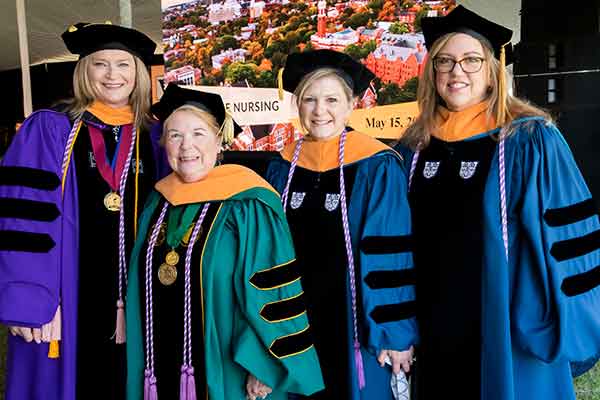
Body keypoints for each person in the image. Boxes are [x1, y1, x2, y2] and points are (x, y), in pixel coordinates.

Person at [397, 5, 600, 400]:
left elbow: (570, 236)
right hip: (433, 315)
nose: (458, 72)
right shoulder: (413, 148)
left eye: (471, 60)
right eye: (445, 61)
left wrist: (549, 318)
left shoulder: (529, 139)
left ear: (491, 69)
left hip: (505, 316)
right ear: (432, 73)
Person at [125, 84, 324, 400]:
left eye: (198, 134)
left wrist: (263, 363)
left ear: (219, 140)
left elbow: (274, 291)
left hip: (228, 364)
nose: (186, 146)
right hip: (159, 357)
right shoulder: (158, 201)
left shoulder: (247, 204)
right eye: (175, 135)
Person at [0, 22, 160, 400]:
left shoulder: (156, 136)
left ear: (137, 74)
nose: (112, 75)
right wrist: (30, 298)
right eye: (100, 64)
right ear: (84, 71)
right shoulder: (51, 129)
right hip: (67, 297)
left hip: (141, 299)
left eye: (123, 64)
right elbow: (22, 217)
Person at [266, 49, 417, 400]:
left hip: (353, 323)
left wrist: (393, 334)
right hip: (295, 321)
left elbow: (392, 254)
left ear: (352, 105)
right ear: (298, 106)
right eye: (309, 100)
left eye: (332, 99)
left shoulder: (376, 167)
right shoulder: (280, 168)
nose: (320, 111)